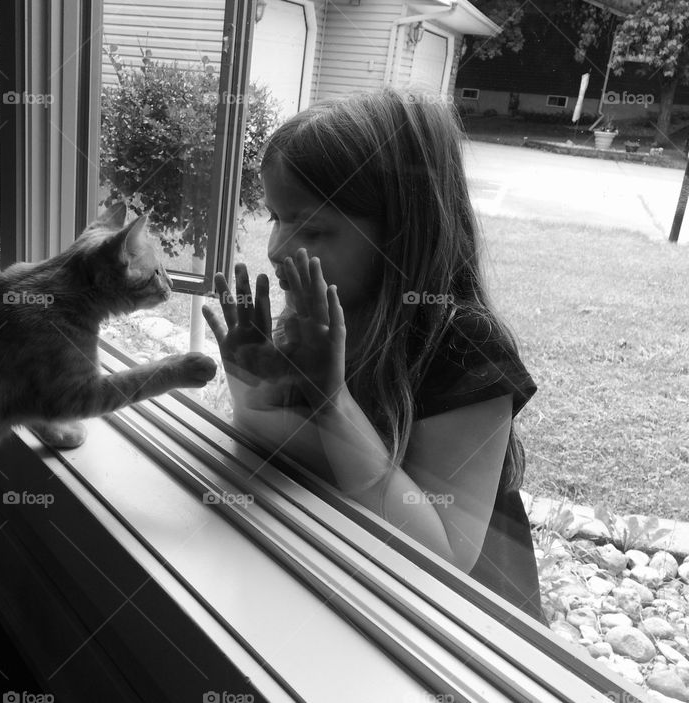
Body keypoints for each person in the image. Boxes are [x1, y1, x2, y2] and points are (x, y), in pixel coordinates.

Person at [203, 89, 545, 624]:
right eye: (275, 217)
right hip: (340, 581)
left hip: (450, 632)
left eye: (312, 227)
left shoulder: (463, 345)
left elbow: (445, 557)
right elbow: (284, 465)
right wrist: (257, 396)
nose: (274, 249)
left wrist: (332, 402)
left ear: (404, 230)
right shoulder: (316, 323)